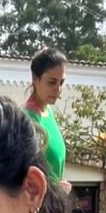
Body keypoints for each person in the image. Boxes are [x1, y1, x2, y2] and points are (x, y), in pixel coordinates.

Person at [24, 47, 69, 189]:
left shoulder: (48, 112)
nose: (58, 89)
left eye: (61, 82)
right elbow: (25, 177)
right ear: (35, 79)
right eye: (52, 82)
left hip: (55, 205)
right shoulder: (27, 121)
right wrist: (56, 190)